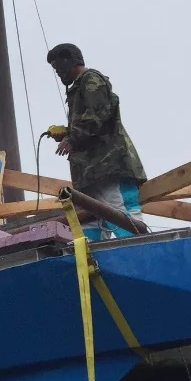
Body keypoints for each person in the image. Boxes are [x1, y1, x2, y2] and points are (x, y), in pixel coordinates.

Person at [45, 43, 147, 239]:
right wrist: (67, 132)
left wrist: (72, 138)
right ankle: (95, 254)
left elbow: (96, 116)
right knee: (91, 217)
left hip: (108, 165)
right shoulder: (80, 87)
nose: (58, 74)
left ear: (69, 61)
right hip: (92, 171)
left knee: (118, 209)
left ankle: (138, 248)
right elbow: (92, 121)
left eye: (58, 68)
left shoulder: (91, 80)